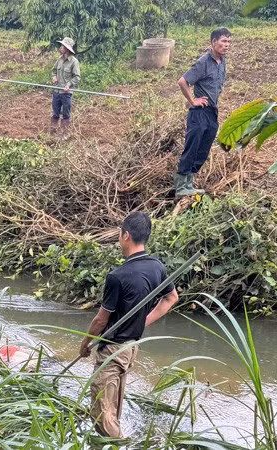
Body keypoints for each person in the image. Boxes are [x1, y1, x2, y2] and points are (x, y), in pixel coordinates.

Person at [78, 211, 179, 438]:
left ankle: (119, 443)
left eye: (119, 235)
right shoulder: (157, 267)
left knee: (101, 409)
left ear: (125, 236)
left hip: (113, 350)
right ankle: (115, 436)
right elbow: (172, 298)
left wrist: (85, 344)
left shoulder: (118, 276)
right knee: (113, 405)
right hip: (131, 348)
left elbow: (100, 319)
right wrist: (143, 322)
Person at [173, 28, 232, 198]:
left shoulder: (222, 62)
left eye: (228, 42)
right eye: (223, 41)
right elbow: (182, 81)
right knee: (192, 147)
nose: (226, 45)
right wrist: (193, 101)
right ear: (213, 42)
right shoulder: (203, 62)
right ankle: (180, 186)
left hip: (212, 112)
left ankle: (189, 183)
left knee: (203, 149)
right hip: (199, 112)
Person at [50, 37, 81, 139]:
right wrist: (54, 77)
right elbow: (53, 71)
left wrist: (69, 84)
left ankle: (64, 134)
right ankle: (53, 134)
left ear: (67, 48)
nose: (60, 48)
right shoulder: (59, 59)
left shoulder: (74, 62)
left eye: (62, 46)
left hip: (66, 93)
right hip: (56, 91)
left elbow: (77, 77)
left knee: (66, 114)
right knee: (55, 113)